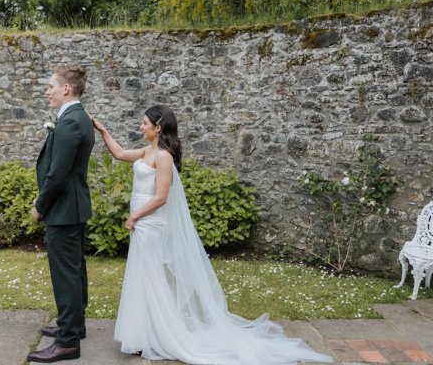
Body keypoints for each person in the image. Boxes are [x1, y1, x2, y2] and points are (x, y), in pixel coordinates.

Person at [89, 104, 333, 365]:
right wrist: (102, 130)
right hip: (142, 225)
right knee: (141, 277)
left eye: (144, 123)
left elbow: (161, 197)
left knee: (151, 278)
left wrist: (135, 216)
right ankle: (143, 335)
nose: (141, 126)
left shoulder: (163, 158)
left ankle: (158, 335)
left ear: (158, 127)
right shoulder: (147, 151)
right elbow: (119, 153)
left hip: (150, 224)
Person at [27, 66, 95, 363]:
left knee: (65, 275)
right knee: (74, 269)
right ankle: (74, 326)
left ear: (67, 88)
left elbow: (57, 175)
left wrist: (40, 206)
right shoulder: (77, 118)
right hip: (71, 207)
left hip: (64, 210)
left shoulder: (70, 122)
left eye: (51, 85)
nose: (47, 91)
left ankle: (67, 342)